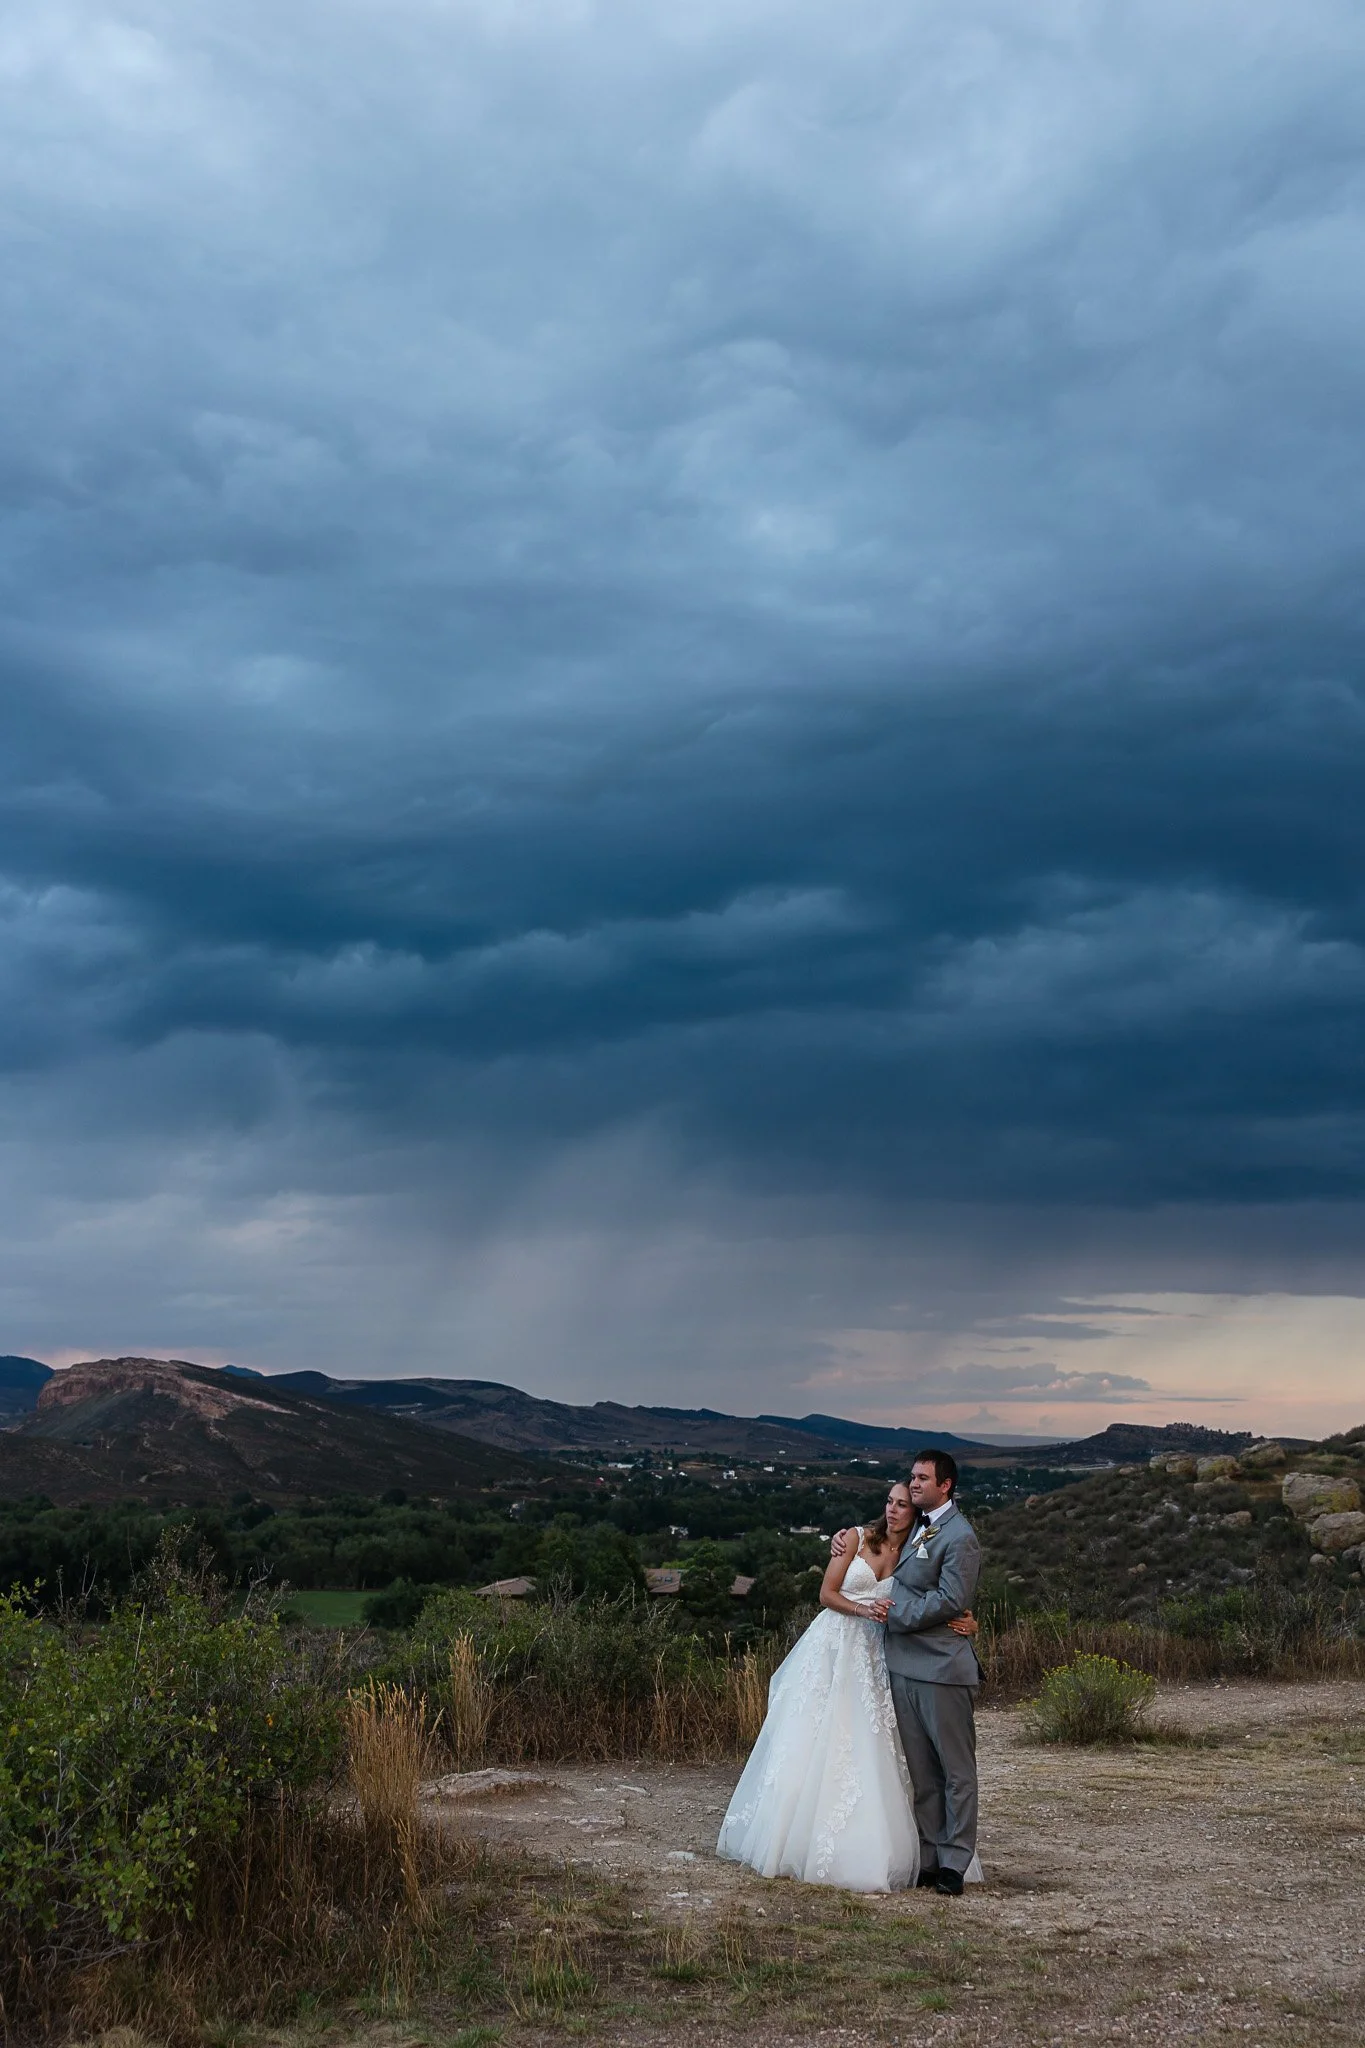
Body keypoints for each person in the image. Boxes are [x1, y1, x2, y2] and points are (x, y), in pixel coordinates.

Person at [716, 1479, 977, 1891]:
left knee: (875, 1741)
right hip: (835, 1645)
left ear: (916, 1512)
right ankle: (793, 1833)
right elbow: (826, 1593)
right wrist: (861, 1608)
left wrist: (965, 1618)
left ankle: (911, 1849)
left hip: (882, 1652)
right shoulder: (855, 1538)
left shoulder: (915, 1550)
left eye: (902, 1504)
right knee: (815, 1734)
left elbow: (940, 1592)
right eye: (889, 1502)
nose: (892, 1510)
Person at [844, 1449, 983, 1895]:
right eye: (913, 1477)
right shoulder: (915, 1525)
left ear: (946, 1485)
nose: (915, 1483)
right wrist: (844, 1538)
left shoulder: (960, 1536)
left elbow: (950, 1598)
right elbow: (880, 1542)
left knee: (955, 1772)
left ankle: (955, 1863)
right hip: (901, 1665)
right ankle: (929, 1857)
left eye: (923, 1478)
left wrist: (895, 1615)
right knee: (922, 1774)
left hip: (942, 1667)